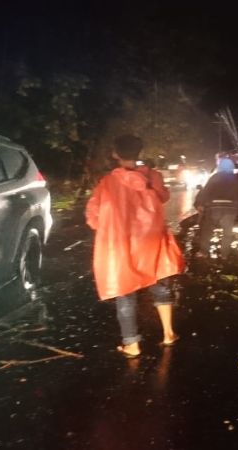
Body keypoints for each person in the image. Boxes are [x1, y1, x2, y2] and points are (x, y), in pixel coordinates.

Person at [85, 135, 185, 358]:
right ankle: (168, 333)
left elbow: (93, 218)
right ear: (140, 153)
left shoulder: (106, 183)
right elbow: (163, 197)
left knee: (125, 292)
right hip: (151, 242)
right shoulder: (153, 176)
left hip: (123, 245)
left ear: (115, 154)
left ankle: (131, 344)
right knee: (160, 283)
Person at [194, 157, 238, 259]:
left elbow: (206, 192)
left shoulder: (215, 178)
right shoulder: (237, 180)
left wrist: (200, 204)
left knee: (207, 230)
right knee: (227, 232)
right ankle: (224, 254)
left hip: (214, 207)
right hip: (231, 209)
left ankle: (203, 251)